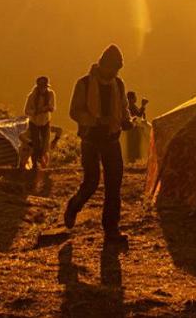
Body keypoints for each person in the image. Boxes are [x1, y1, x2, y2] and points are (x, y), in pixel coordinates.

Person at [63, 44, 131, 244]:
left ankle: (111, 229)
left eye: (117, 69)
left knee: (114, 184)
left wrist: (126, 120)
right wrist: (96, 120)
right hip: (91, 139)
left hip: (112, 138)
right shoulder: (83, 84)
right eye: (112, 68)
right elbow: (74, 112)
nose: (114, 72)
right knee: (91, 182)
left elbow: (124, 107)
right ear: (102, 65)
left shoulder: (118, 84)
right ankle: (74, 206)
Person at [23, 76, 57, 171]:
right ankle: (35, 164)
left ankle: (41, 161)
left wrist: (45, 109)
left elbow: (53, 107)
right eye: (41, 87)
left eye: (44, 87)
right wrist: (35, 112)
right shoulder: (31, 96)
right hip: (34, 122)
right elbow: (26, 110)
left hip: (45, 122)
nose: (43, 89)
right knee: (35, 143)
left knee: (45, 144)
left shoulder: (51, 94)